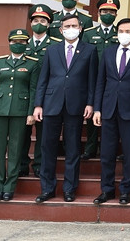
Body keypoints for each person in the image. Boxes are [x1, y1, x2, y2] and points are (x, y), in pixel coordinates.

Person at [33, 13, 98, 203]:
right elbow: (43, 79)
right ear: (61, 30)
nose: (71, 29)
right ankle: (47, 188)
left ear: (80, 28)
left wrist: (90, 102)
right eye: (67, 26)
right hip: (51, 104)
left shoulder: (90, 50)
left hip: (76, 105)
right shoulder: (52, 50)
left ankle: (69, 188)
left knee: (72, 148)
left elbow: (92, 80)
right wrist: (38, 105)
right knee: (48, 147)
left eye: (74, 26)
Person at [92, 18, 130, 205]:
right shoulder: (108, 52)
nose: (123, 34)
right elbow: (101, 81)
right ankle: (106, 190)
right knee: (107, 153)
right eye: (120, 30)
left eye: (127, 31)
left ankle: (126, 190)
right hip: (109, 108)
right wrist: (98, 108)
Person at [0, 29, 40, 201]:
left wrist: (31, 113)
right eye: (15, 41)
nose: (18, 44)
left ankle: (9, 187)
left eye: (22, 42)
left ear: (26, 44)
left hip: (20, 112)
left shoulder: (32, 63)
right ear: (9, 42)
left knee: (15, 151)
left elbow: (33, 89)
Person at [20, 4, 59, 178]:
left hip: (47, 95)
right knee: (22, 133)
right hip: (25, 93)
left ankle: (39, 165)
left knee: (44, 134)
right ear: (30, 22)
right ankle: (21, 164)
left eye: (43, 21)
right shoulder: (22, 44)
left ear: (49, 24)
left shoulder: (55, 45)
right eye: (35, 20)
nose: (39, 24)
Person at [80, 0, 121, 160]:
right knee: (91, 113)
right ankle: (90, 148)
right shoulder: (89, 34)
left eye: (111, 11)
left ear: (116, 14)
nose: (108, 14)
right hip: (93, 79)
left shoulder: (121, 32)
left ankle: (109, 147)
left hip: (113, 80)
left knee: (113, 114)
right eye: (104, 11)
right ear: (98, 13)